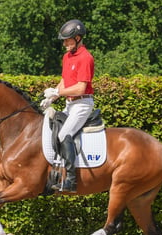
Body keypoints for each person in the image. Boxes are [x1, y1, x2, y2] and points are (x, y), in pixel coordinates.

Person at [41, 19, 95, 193]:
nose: (64, 44)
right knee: (52, 128)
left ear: (78, 38)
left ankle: (71, 180)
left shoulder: (86, 58)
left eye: (67, 40)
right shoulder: (67, 57)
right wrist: (53, 97)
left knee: (64, 134)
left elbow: (80, 87)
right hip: (69, 103)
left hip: (82, 104)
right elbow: (65, 81)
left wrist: (56, 93)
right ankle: (55, 172)